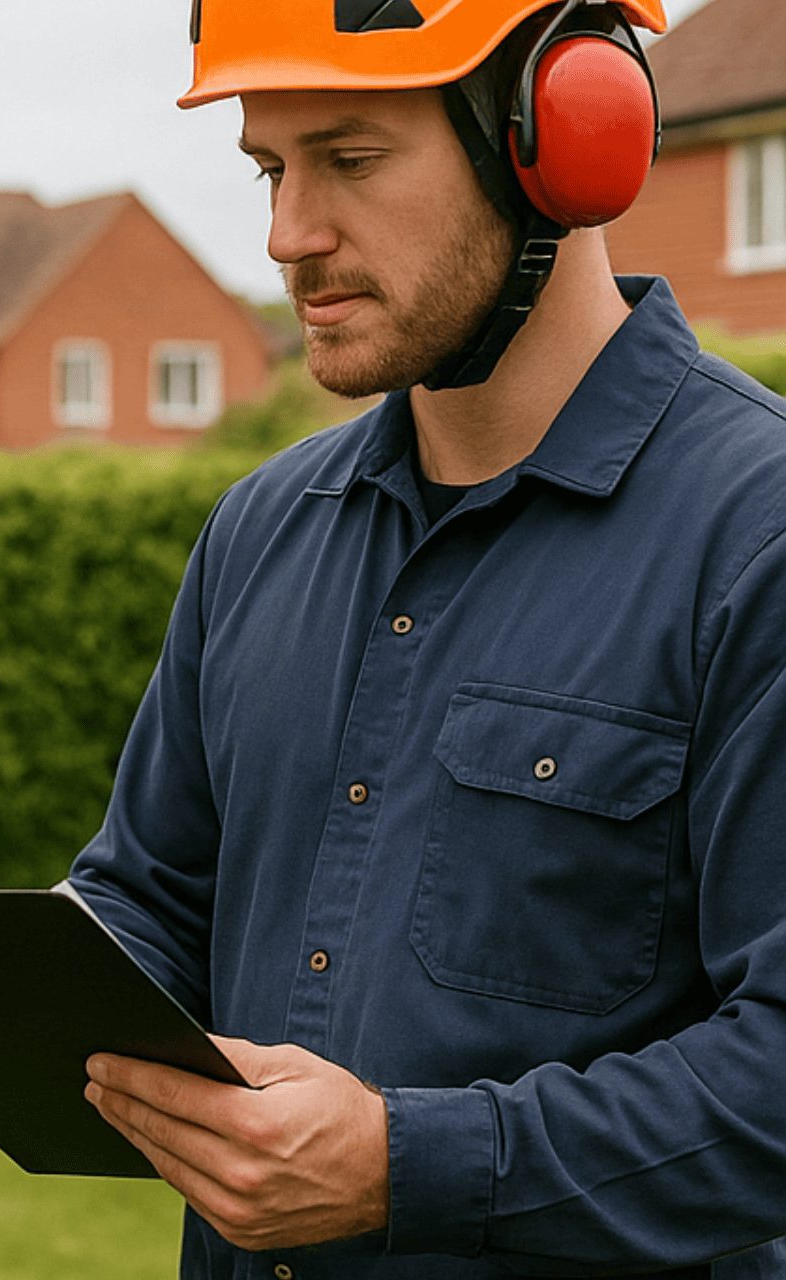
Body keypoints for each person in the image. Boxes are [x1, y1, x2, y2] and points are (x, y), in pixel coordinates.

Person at [68, 0, 786, 1274]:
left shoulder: (756, 540)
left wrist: (406, 1164)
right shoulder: (257, 530)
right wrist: (17, 979)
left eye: (349, 159)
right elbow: (150, 897)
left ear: (561, 138)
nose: (290, 236)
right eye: (270, 171)